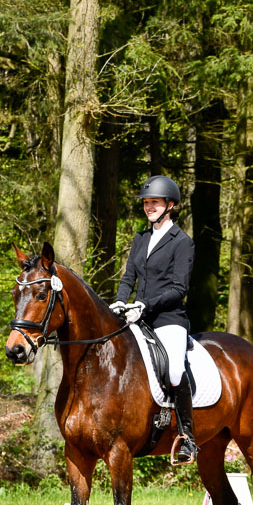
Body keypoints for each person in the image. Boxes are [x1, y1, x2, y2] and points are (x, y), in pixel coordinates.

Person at [109, 175, 198, 464]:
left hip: (168, 319)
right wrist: (121, 300)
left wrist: (144, 304)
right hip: (137, 316)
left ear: (170, 205)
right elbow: (128, 277)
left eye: (155, 203)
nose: (149, 207)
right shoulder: (141, 238)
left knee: (174, 370)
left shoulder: (182, 242)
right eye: (146, 203)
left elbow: (179, 289)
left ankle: (187, 437)